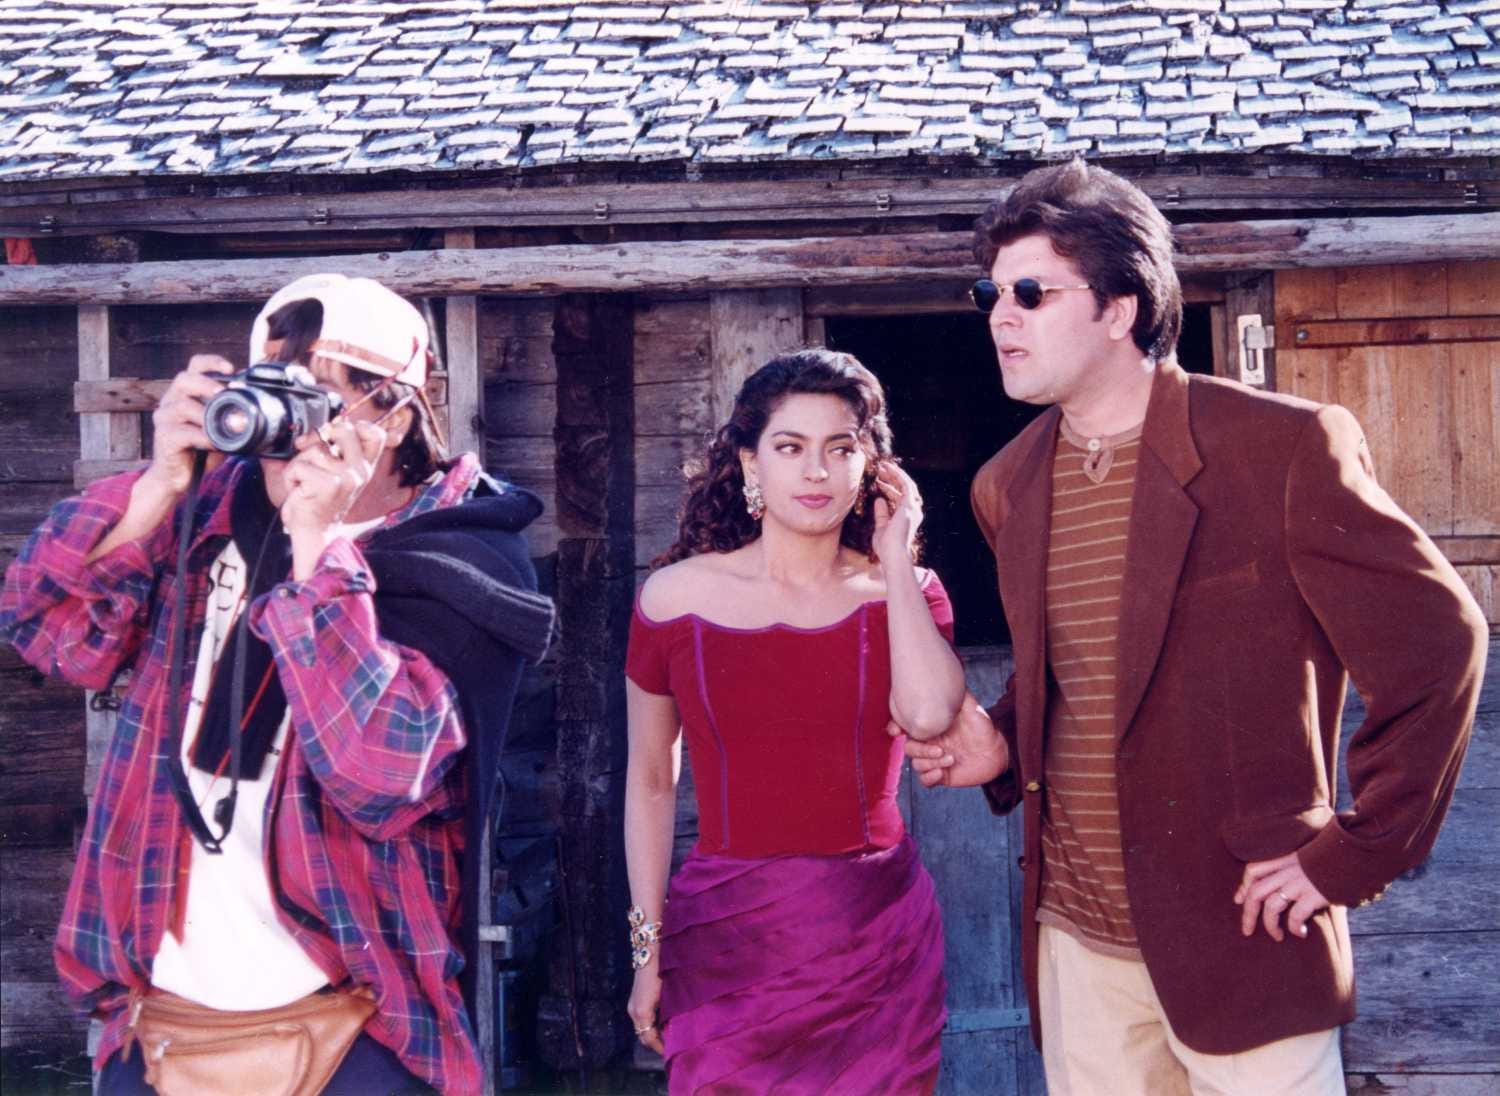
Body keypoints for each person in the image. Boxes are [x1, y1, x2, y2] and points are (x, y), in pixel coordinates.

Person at [899, 160, 1488, 1095]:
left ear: (1121, 308)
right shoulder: (1007, 485)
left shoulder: (1283, 448)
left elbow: (1440, 644)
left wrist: (1353, 852)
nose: (1000, 317)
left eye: (1030, 293)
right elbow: (1084, 676)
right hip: (1076, 949)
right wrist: (1002, 742)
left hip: (1246, 934)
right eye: (989, 295)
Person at [1, 274, 553, 1094]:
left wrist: (316, 548)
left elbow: (380, 772)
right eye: (272, 391)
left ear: (395, 414)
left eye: (315, 400)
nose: (286, 431)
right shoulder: (203, 514)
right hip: (160, 1016)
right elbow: (47, 627)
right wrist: (157, 485)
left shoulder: (464, 559)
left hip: (356, 1021)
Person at [623, 349, 965, 1093]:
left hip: (874, 937)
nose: (817, 472)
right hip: (726, 938)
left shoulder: (909, 593)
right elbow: (650, 780)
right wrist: (646, 953)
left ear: (870, 467)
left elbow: (930, 714)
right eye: (790, 447)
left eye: (840, 448)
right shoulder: (671, 600)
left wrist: (895, 559)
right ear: (750, 460)